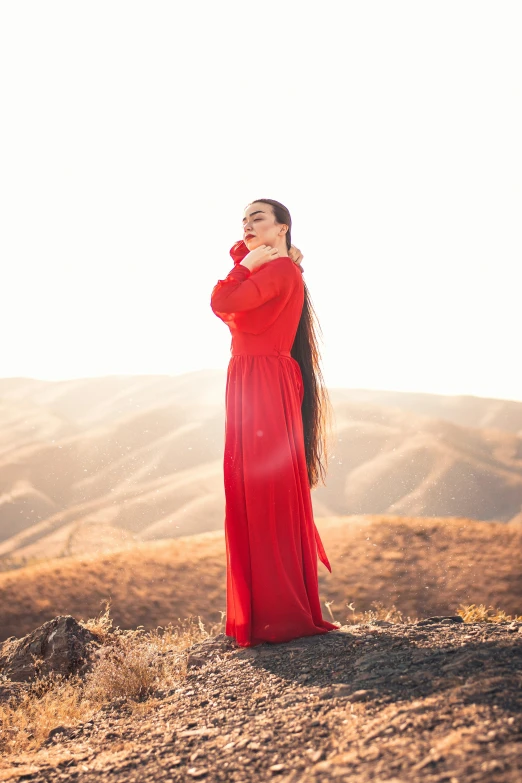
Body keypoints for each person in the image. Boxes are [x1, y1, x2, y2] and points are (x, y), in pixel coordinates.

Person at [210, 198, 339, 647]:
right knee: (253, 490)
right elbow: (237, 287)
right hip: (254, 381)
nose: (246, 224)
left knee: (264, 491)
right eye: (243, 219)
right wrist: (251, 258)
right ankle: (269, 609)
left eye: (257, 218)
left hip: (262, 382)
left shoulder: (279, 273)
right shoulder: (277, 269)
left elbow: (223, 301)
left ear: (283, 227)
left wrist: (247, 264)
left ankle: (280, 612)